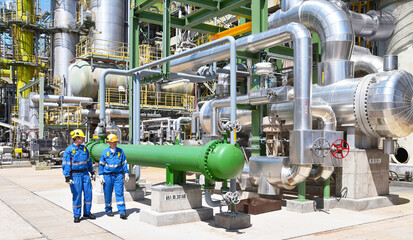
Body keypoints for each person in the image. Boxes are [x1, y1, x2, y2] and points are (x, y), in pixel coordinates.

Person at [62, 129, 96, 223]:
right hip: (75, 175)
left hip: (85, 174)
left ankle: (87, 212)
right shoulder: (69, 150)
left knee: (88, 193)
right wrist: (67, 176)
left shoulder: (84, 149)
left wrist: (92, 172)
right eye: (82, 137)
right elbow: (66, 164)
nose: (83, 139)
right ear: (77, 138)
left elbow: (88, 161)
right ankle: (77, 215)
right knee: (77, 195)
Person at [98, 134, 130, 219]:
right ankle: (108, 210)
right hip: (108, 176)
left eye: (116, 141)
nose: (115, 143)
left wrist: (126, 172)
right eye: (113, 142)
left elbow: (124, 163)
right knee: (107, 193)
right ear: (109, 142)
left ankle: (122, 211)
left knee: (119, 193)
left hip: (118, 175)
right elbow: (101, 165)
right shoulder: (105, 152)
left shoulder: (120, 151)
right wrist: (101, 175)